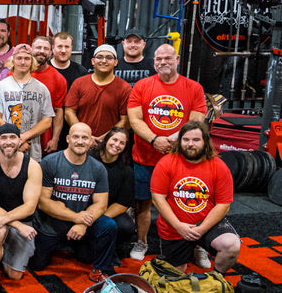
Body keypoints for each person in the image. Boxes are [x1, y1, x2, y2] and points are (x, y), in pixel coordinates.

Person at [126, 44, 207, 261]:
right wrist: (154, 140)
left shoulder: (194, 88)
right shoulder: (142, 86)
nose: (162, 62)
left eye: (167, 58)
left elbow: (197, 120)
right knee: (143, 203)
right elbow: (134, 119)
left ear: (177, 59)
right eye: (158, 59)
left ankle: (195, 244)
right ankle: (142, 241)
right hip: (145, 157)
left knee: (187, 202)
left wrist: (174, 139)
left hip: (181, 159)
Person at [151, 121, 240, 272]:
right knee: (175, 274)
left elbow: (223, 204)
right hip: (175, 226)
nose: (190, 144)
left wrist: (201, 229)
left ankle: (216, 282)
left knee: (231, 245)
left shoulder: (219, 166)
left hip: (205, 223)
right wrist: (179, 226)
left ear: (205, 141)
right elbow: (157, 198)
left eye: (196, 140)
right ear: (180, 142)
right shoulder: (166, 163)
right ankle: (190, 250)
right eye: (186, 140)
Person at [33, 122, 116, 283]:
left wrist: (82, 224)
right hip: (51, 224)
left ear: (91, 141)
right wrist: (76, 218)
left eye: (85, 138)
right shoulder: (49, 162)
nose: (80, 141)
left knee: (108, 225)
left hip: (81, 226)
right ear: (68, 139)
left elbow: (101, 204)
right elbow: (43, 202)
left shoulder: (98, 168)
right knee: (37, 265)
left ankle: (102, 269)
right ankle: (61, 245)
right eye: (76, 137)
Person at [0, 124, 41, 293]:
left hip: (22, 216)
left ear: (20, 140)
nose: (8, 142)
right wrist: (17, 225)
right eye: (3, 138)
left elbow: (29, 207)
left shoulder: (33, 166)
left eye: (13, 137)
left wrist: (13, 221)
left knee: (14, 275)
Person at [0, 44, 55, 159]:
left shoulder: (41, 88)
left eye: (27, 58)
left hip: (32, 149)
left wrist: (24, 137)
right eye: (19, 58)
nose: (23, 62)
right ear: (12, 61)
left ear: (32, 62)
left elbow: (47, 121)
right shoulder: (1, 87)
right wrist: (15, 138)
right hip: (5, 148)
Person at [64, 43, 131, 145]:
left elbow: (126, 120)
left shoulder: (124, 88)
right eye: (100, 57)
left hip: (110, 145)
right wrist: (84, 135)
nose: (104, 61)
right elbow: (69, 112)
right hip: (81, 143)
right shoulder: (79, 83)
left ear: (115, 62)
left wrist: (105, 138)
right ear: (93, 61)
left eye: (109, 58)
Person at [89, 126, 137, 253]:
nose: (117, 145)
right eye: (114, 140)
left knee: (126, 226)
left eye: (122, 143)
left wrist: (98, 219)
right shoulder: (89, 158)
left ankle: (113, 247)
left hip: (108, 210)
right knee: (85, 256)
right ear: (106, 140)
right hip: (85, 206)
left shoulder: (126, 170)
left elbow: (123, 204)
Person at [30, 35, 69, 153]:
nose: (42, 51)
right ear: (31, 49)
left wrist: (55, 139)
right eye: (38, 47)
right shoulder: (15, 74)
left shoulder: (58, 79)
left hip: (44, 141)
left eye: (46, 48)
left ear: (51, 52)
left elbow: (58, 111)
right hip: (17, 137)